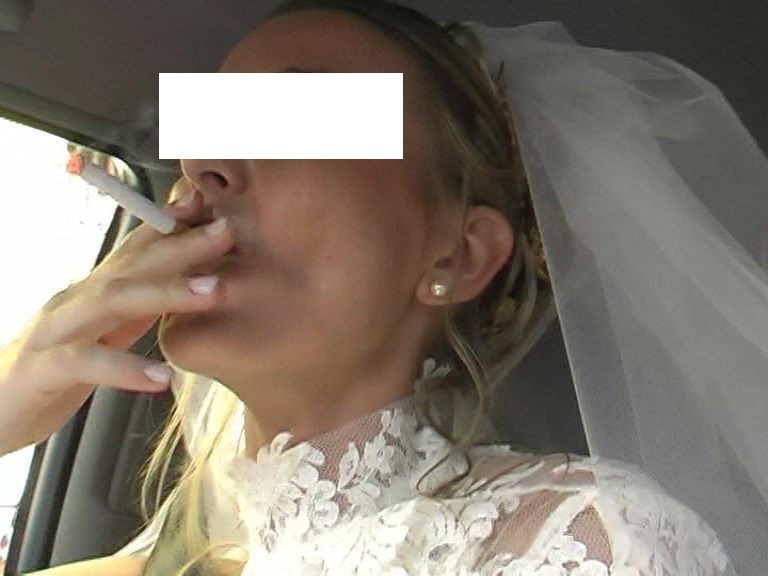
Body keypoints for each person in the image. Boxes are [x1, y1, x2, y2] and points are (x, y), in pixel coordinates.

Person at [1, 0, 755, 574]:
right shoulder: (150, 563)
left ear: (457, 255)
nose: (203, 166)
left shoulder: (578, 538)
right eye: (210, 127)